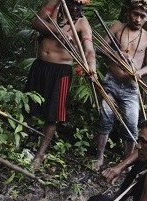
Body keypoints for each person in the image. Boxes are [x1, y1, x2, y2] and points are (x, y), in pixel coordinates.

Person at [25, 0, 96, 169]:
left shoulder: (82, 22)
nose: (76, 10)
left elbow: (89, 49)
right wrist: (58, 30)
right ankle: (20, 142)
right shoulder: (53, 9)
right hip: (40, 66)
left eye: (79, 7)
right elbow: (36, 22)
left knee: (52, 114)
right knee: (27, 106)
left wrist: (91, 66)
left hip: (61, 72)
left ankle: (39, 155)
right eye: (72, 6)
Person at [93, 0, 147, 171]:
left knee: (131, 124)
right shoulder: (117, 28)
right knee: (105, 116)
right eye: (135, 14)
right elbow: (101, 48)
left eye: (142, 16)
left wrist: (139, 73)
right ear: (129, 13)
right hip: (111, 82)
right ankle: (99, 157)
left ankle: (127, 161)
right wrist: (116, 53)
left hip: (131, 87)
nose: (138, 19)